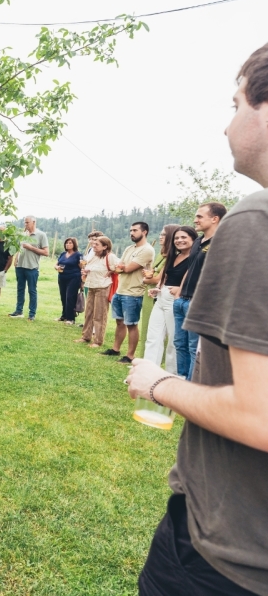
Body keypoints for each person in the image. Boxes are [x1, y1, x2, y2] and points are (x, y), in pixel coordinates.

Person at [127, 43, 268, 596]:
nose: (227, 125)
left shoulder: (256, 220)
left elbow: (259, 416)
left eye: (236, 105)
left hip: (227, 555)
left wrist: (160, 383)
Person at [173, 202, 227, 379]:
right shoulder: (197, 241)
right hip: (182, 301)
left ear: (214, 219)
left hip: (199, 303)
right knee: (179, 343)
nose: (195, 220)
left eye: (199, 216)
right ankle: (181, 379)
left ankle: (190, 384)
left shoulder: (222, 241)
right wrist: (179, 293)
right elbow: (190, 268)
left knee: (193, 347)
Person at [143, 225, 197, 374]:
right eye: (177, 238)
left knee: (174, 341)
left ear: (194, 239)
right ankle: (148, 373)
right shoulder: (173, 256)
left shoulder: (195, 258)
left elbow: (195, 279)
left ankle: (170, 375)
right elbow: (166, 276)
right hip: (161, 298)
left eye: (183, 237)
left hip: (176, 300)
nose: (179, 240)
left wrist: (180, 289)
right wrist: (159, 288)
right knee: (153, 337)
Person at [101, 222, 155, 364]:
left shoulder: (147, 250)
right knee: (119, 322)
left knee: (131, 324)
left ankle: (130, 355)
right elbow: (118, 266)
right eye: (130, 230)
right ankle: (115, 349)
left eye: (135, 230)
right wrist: (120, 268)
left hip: (134, 292)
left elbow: (128, 268)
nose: (131, 233)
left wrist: (121, 268)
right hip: (120, 290)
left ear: (144, 232)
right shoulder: (129, 248)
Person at [74, 236, 118, 347]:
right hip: (91, 285)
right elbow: (88, 266)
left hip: (103, 287)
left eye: (97, 244)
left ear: (105, 246)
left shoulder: (110, 257)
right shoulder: (93, 255)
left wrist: (111, 271)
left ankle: (98, 341)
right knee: (88, 313)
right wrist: (85, 271)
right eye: (93, 244)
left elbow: (119, 267)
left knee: (99, 315)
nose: (93, 246)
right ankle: (86, 336)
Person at [8, 216, 49, 321]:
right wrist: (16, 259)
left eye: (27, 222)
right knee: (20, 289)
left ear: (34, 222)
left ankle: (32, 314)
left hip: (32, 267)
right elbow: (18, 248)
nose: (25, 225)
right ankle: (18, 311)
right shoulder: (22, 235)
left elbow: (46, 252)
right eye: (24, 223)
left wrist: (31, 247)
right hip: (20, 266)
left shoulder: (41, 235)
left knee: (32, 290)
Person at [55, 237, 83, 325]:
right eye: (67, 243)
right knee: (63, 296)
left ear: (74, 244)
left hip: (74, 278)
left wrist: (82, 281)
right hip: (62, 277)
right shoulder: (63, 254)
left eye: (70, 243)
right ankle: (64, 315)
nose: (68, 244)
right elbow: (56, 264)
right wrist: (57, 267)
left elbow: (82, 267)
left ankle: (71, 318)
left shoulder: (78, 255)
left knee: (70, 297)